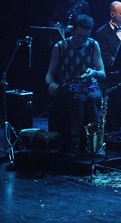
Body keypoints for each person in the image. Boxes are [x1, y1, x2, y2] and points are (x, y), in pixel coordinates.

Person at [45, 14, 105, 154]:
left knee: (93, 97)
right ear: (72, 31)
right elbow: (50, 73)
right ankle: (76, 139)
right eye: (79, 36)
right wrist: (51, 84)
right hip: (69, 86)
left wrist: (93, 73)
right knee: (78, 99)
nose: (82, 40)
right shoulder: (60, 47)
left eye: (85, 36)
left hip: (89, 85)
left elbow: (102, 73)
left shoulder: (93, 44)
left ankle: (94, 141)